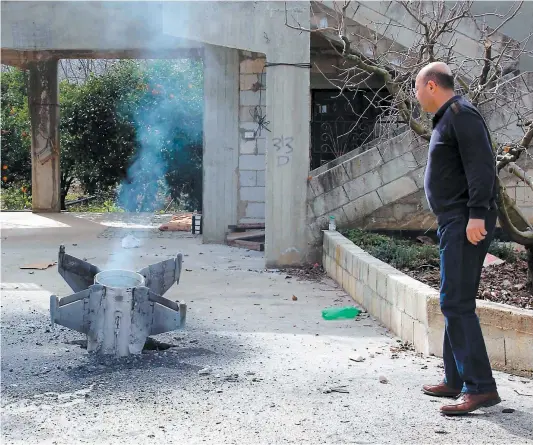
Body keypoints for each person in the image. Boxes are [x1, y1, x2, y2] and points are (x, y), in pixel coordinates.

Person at [414, 62, 501, 415]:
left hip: (466, 219)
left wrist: (477, 214)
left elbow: (482, 166)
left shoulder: (462, 115)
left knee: (456, 301)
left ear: (432, 85)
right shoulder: (448, 117)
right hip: (454, 219)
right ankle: (455, 379)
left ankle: (480, 387)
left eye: (417, 88)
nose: (415, 95)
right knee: (454, 299)